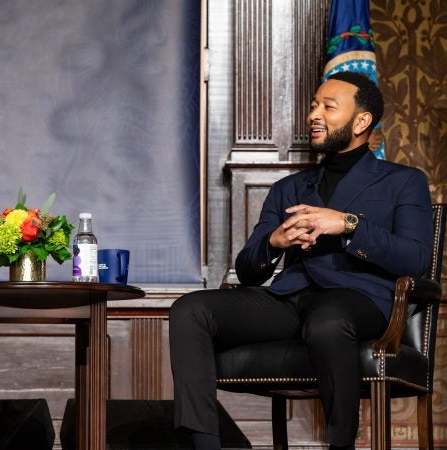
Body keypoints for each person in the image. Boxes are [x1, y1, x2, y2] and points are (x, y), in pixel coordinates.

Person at [169, 71, 432, 450]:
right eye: (313, 106)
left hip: (359, 299)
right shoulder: (289, 188)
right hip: (291, 299)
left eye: (328, 106)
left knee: (328, 320)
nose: (314, 115)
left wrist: (348, 224)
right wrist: (274, 242)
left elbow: (415, 258)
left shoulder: (404, 181)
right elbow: (248, 270)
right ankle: (205, 442)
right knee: (190, 308)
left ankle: (340, 442)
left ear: (362, 121)